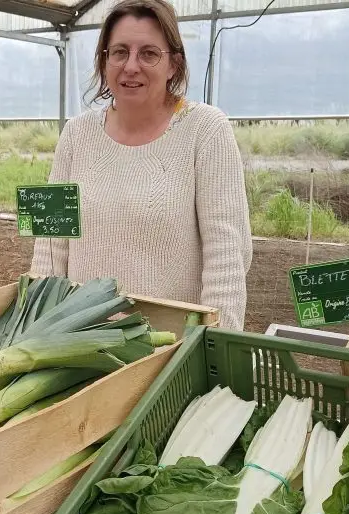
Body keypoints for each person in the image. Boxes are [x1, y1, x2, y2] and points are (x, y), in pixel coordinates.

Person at [29, 0, 253, 332]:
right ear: (105, 61)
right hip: (81, 344)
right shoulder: (76, 134)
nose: (131, 66)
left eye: (148, 53)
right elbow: (50, 245)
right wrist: (34, 325)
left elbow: (226, 258)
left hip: (170, 348)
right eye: (119, 52)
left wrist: (214, 347)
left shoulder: (205, 129)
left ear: (174, 64)